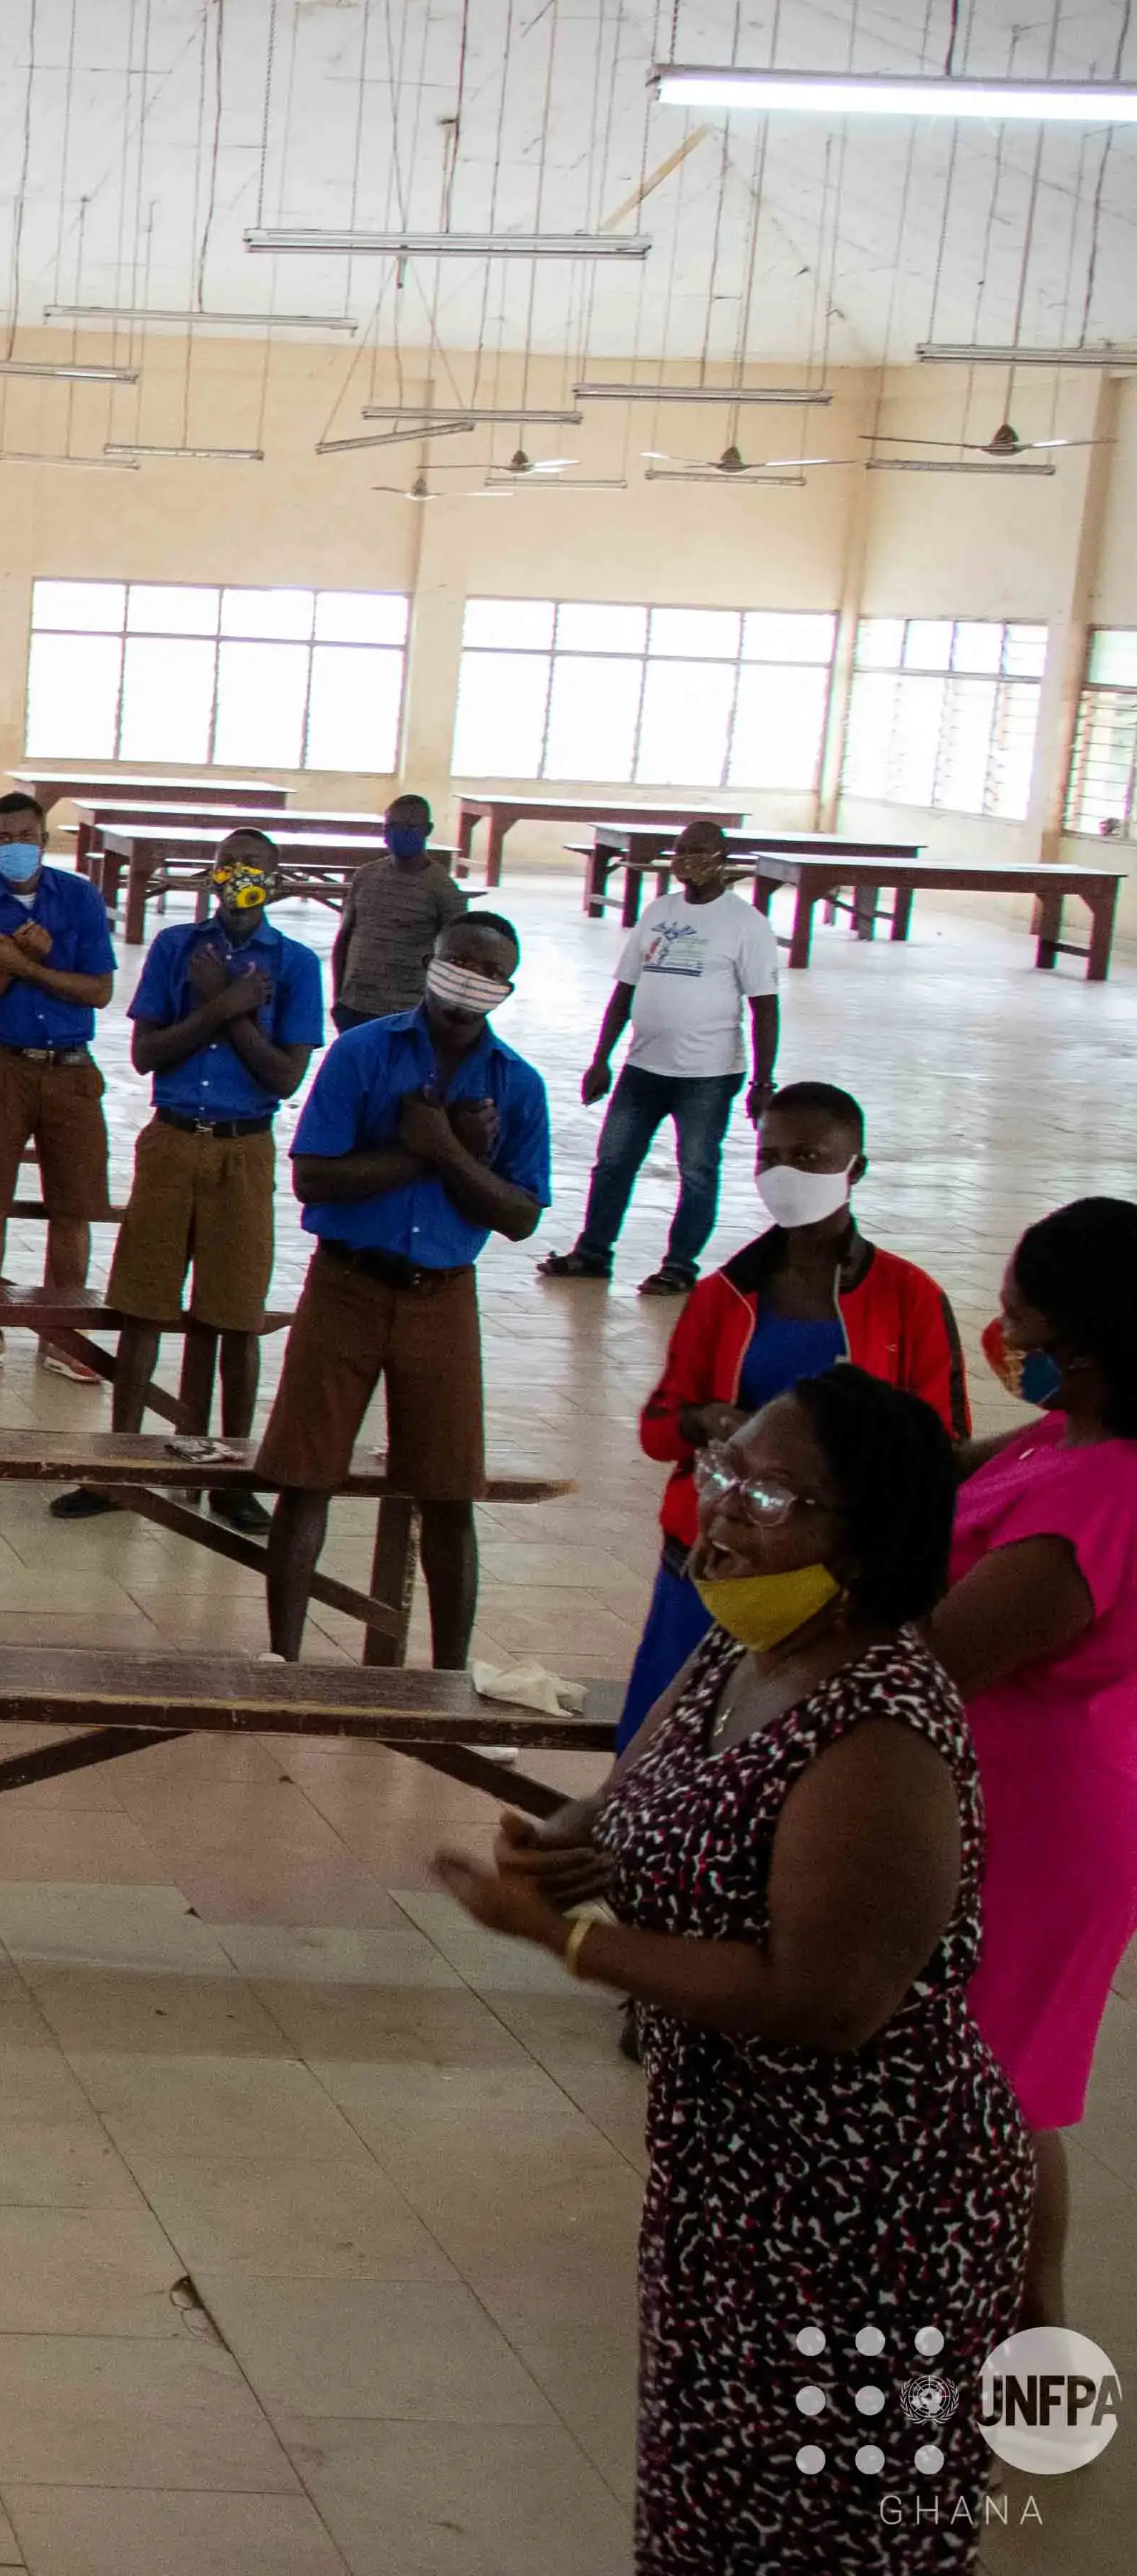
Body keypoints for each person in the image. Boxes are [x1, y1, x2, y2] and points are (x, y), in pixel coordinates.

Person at [432, 1371, 1026, 2575]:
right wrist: (548, 1857)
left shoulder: (881, 1732)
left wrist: (568, 1942)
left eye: (765, 1492)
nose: (723, 1512)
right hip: (734, 2183)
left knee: (832, 2533)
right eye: (721, 1472)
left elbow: (823, 1999)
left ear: (862, 1537)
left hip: (868, 2202)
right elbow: (631, 1808)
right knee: (713, 2504)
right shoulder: (744, 1651)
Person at [927, 1195, 1137, 2330]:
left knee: (996, 2088)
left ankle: (1031, 2339)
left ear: (1087, 1339)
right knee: (983, 2080)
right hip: (988, 1799)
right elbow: (948, 1472)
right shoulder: (1069, 1434)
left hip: (1042, 1823)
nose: (1006, 1346)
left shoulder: (1106, 1494)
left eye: (1022, 1324)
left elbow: (943, 1655)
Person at [612, 1086, 969, 1743]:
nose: (785, 1175)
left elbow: (942, 1444)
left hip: (835, 1584)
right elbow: (658, 1427)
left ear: (854, 1168)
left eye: (808, 1156)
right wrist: (705, 1422)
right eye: (769, 1157)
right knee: (661, 1745)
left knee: (804, 1750)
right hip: (713, 1561)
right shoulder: (724, 1294)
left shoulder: (910, 1298)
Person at [257, 914, 552, 1667]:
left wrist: (444, 1148)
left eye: (489, 973)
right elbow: (314, 1178)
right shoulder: (363, 1052)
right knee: (305, 1474)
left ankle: (449, 1671)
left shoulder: (517, 1083)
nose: (468, 982)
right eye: (458, 962)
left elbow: (520, 1215)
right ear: (430, 961)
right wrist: (427, 1153)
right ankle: (280, 1658)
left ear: (506, 988)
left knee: (448, 1491)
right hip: (347, 1281)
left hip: (442, 1293)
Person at [59, 832, 321, 1530]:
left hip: (244, 1146)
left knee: (234, 1315)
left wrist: (229, 1009)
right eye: (232, 866)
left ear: (276, 880)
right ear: (213, 876)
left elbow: (284, 1076)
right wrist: (220, 1004)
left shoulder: (294, 964)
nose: (243, 879)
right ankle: (122, 1463)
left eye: (257, 869)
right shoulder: (178, 948)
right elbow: (147, 1053)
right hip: (174, 1139)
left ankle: (232, 1473)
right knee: (142, 1304)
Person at [541, 819, 782, 1298]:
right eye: (681, 850)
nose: (687, 859)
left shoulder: (745, 923)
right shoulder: (659, 911)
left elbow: (765, 1008)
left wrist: (762, 1081)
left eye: (699, 851)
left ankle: (680, 1267)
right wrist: (601, 1058)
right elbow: (625, 989)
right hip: (642, 1067)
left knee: (697, 1170)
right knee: (613, 1162)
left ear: (721, 857)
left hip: (708, 1074)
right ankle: (592, 1253)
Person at [0, 789, 116, 1301]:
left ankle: (64, 1331)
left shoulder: (80, 899)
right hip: (1, 1067)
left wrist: (29, 967)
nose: (18, 846)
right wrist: (6, 967)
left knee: (73, 1207)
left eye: (27, 837)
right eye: (6, 838)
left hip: (71, 1068)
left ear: (45, 841)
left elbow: (99, 990)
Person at [329, 793, 466, 1030]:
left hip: (408, 1012)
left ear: (427, 830)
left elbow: (455, 961)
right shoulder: (365, 876)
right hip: (355, 1006)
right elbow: (345, 940)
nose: (399, 833)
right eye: (392, 826)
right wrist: (338, 997)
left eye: (410, 827)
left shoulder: (444, 891)